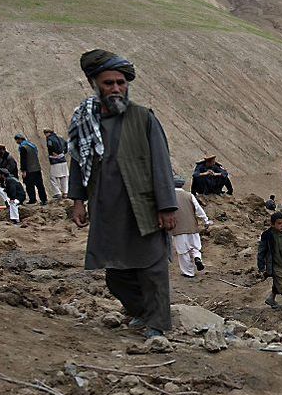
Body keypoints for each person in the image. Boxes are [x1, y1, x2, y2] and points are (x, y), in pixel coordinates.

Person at [67, 49, 177, 338]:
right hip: (106, 208)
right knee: (115, 275)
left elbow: (161, 163)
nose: (116, 88)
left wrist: (167, 206)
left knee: (152, 268)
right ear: (94, 84)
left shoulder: (143, 118)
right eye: (109, 83)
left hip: (143, 207)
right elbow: (78, 162)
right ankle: (141, 311)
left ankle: (157, 323)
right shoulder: (84, 121)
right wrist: (78, 201)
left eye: (121, 82)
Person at [171, 175, 211, 277]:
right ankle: (197, 258)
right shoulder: (189, 195)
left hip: (178, 228)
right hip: (193, 227)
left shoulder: (169, 197)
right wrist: (205, 220)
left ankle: (189, 272)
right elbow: (198, 210)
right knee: (195, 247)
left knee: (183, 252)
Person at [15, 134, 47, 206]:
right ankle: (44, 199)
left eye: (17, 140)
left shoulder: (23, 147)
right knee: (40, 185)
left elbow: (23, 160)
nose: (17, 142)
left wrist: (23, 171)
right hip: (37, 168)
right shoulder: (32, 146)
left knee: (29, 185)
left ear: (20, 139)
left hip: (29, 170)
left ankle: (32, 199)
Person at [44, 128, 70, 200]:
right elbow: (67, 145)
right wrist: (63, 152)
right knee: (64, 177)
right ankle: (65, 193)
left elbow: (50, 146)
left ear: (47, 133)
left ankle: (57, 193)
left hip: (55, 161)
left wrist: (55, 153)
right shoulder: (60, 138)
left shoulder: (49, 139)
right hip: (63, 160)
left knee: (53, 178)